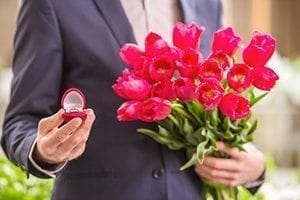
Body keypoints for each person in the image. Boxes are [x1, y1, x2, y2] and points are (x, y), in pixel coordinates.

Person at [1, 0, 265, 199]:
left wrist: (253, 166)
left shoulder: (206, 3)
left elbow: (216, 98)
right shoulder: (52, 4)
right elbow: (20, 121)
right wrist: (43, 151)